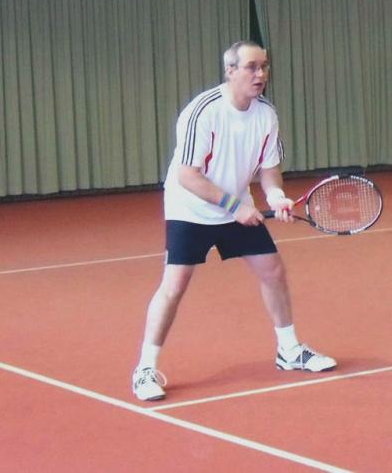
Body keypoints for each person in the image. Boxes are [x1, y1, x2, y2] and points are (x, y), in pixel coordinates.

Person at [132, 41, 336, 401]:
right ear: (230, 71)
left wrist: (276, 196)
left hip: (236, 206)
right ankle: (145, 369)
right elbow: (187, 176)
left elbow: (269, 169)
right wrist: (234, 207)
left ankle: (289, 350)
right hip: (191, 208)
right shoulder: (203, 112)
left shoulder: (266, 114)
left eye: (264, 66)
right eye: (252, 67)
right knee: (174, 285)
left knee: (272, 271)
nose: (260, 74)